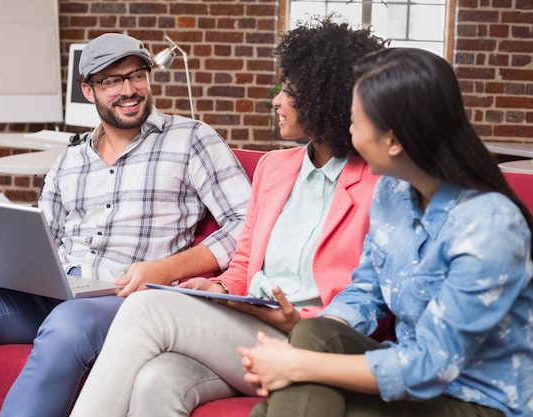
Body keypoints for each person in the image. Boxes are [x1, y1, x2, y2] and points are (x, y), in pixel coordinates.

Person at [0, 33, 252, 417]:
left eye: (137, 75)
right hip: (52, 287)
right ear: (88, 91)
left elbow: (247, 222)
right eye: (112, 81)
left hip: (125, 296)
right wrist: (4, 259)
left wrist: (166, 268)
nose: (129, 90)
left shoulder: (191, 139)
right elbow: (44, 234)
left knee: (67, 327)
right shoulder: (70, 159)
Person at [69, 16, 389, 417]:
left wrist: (307, 321)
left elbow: (373, 292)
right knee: (159, 379)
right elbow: (242, 264)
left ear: (328, 99)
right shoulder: (275, 168)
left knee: (144, 309)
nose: (275, 100)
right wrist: (218, 288)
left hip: (310, 339)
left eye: (288, 91)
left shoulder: (381, 184)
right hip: (246, 321)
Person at [238, 47, 533, 417]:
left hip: (477, 400)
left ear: (393, 141)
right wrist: (311, 340)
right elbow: (367, 288)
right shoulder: (393, 192)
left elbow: (429, 366)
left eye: (355, 122)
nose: (347, 131)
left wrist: (296, 365)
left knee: (287, 403)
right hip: (412, 381)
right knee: (314, 334)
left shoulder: (489, 225)